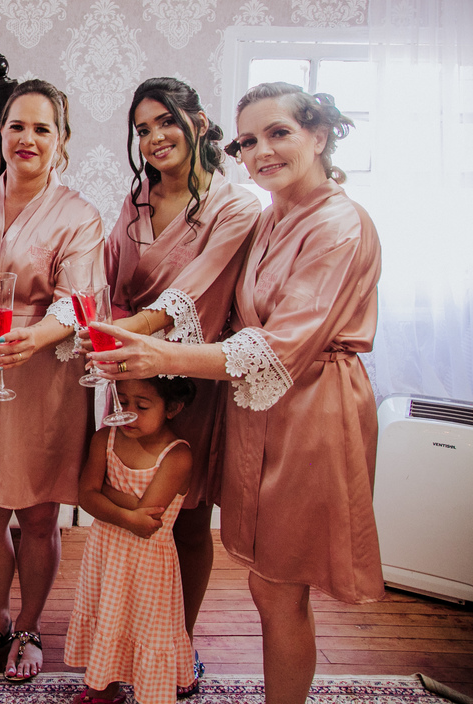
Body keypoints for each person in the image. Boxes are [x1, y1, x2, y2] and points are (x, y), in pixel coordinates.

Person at [89, 82, 383, 704]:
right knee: (264, 580)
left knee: (279, 586)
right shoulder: (274, 216)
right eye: (249, 141)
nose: (261, 151)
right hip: (256, 406)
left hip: (312, 409)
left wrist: (163, 355)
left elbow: (276, 346)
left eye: (279, 134)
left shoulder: (339, 224)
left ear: (319, 135)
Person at [105, 77, 261, 691]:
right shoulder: (136, 201)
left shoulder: (236, 206)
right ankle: (123, 643)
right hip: (127, 375)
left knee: (186, 519)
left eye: (166, 121)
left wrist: (128, 335)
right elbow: (112, 279)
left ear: (197, 121)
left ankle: (179, 645)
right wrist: (109, 340)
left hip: (193, 376)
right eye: (142, 129)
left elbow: (194, 289)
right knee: (128, 510)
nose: (154, 137)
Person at [0, 79, 103, 682]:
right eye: (17, 126)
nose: (28, 138)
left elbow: (78, 301)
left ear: (61, 140)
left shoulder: (80, 215)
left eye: (43, 128)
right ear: (0, 132)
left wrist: (34, 337)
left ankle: (31, 625)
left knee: (38, 517)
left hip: (45, 376)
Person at [64, 377, 197, 704]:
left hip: (148, 564)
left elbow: (147, 521)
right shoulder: (104, 439)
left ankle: (152, 691)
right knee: (108, 617)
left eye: (142, 406)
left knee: (146, 627)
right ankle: (104, 686)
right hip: (105, 555)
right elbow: (86, 497)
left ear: (172, 408)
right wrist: (128, 511)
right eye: (122, 402)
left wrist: (104, 493)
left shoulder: (177, 456)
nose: (128, 413)